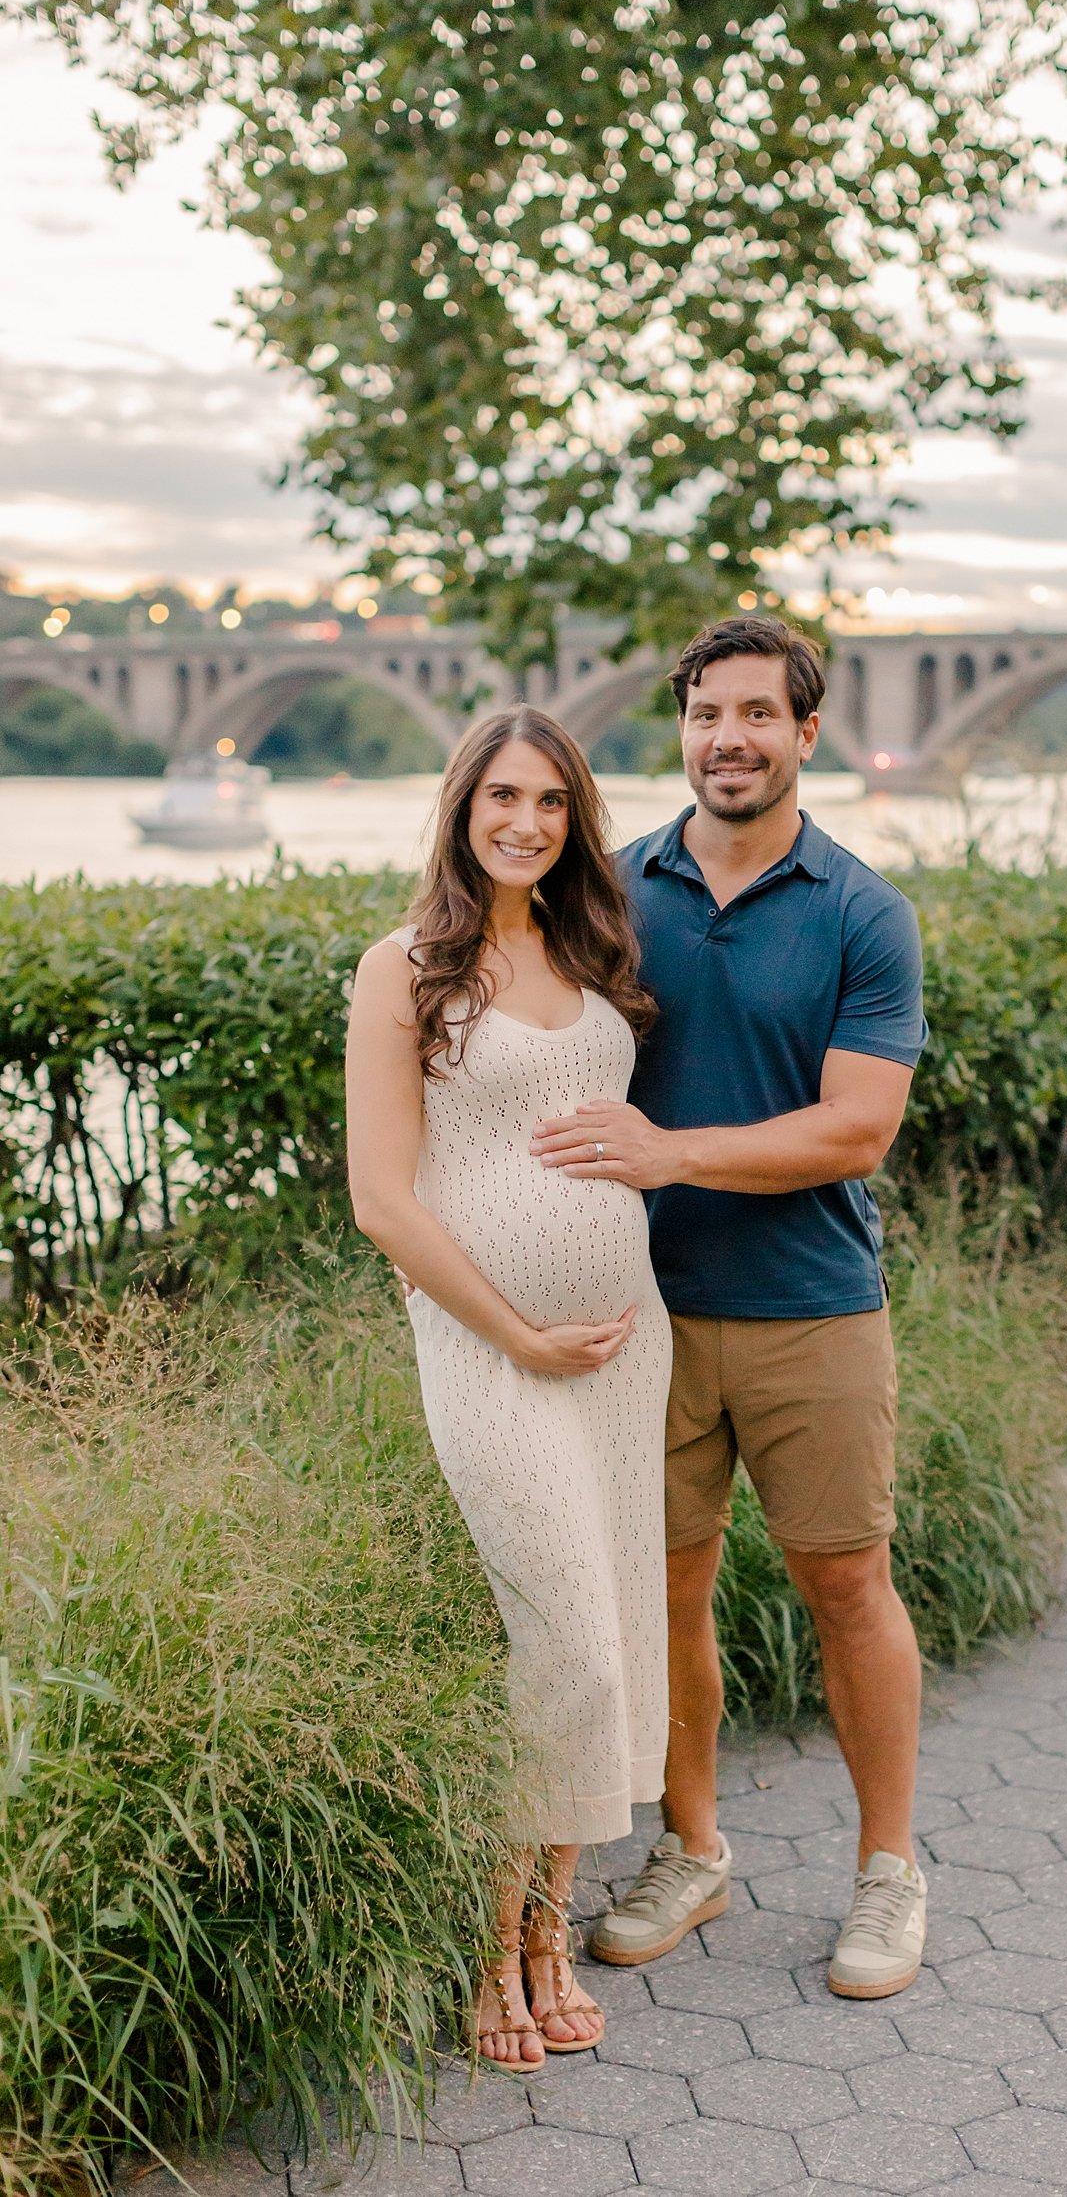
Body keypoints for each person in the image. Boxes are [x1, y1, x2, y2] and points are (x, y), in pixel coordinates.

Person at [531, 615, 930, 2000]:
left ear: (807, 735)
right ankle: (693, 1850)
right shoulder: (614, 887)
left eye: (760, 715)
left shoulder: (865, 911)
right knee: (668, 1591)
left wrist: (672, 1151)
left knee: (847, 1582)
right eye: (708, 714)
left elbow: (856, 1130)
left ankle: (888, 1872)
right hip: (637, 1309)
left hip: (811, 1302)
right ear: (683, 728)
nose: (731, 740)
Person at [344, 707, 671, 2069]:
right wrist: (519, 1332)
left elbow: (626, 1126)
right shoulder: (404, 968)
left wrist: (657, 1154)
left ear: (574, 817)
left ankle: (552, 1929)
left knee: (608, 1649)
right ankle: (495, 1952)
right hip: (493, 1353)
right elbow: (382, 1199)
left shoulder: (592, 950)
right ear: (459, 805)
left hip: (622, 1349)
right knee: (568, 1646)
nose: (525, 821)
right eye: (501, 797)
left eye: (549, 800)